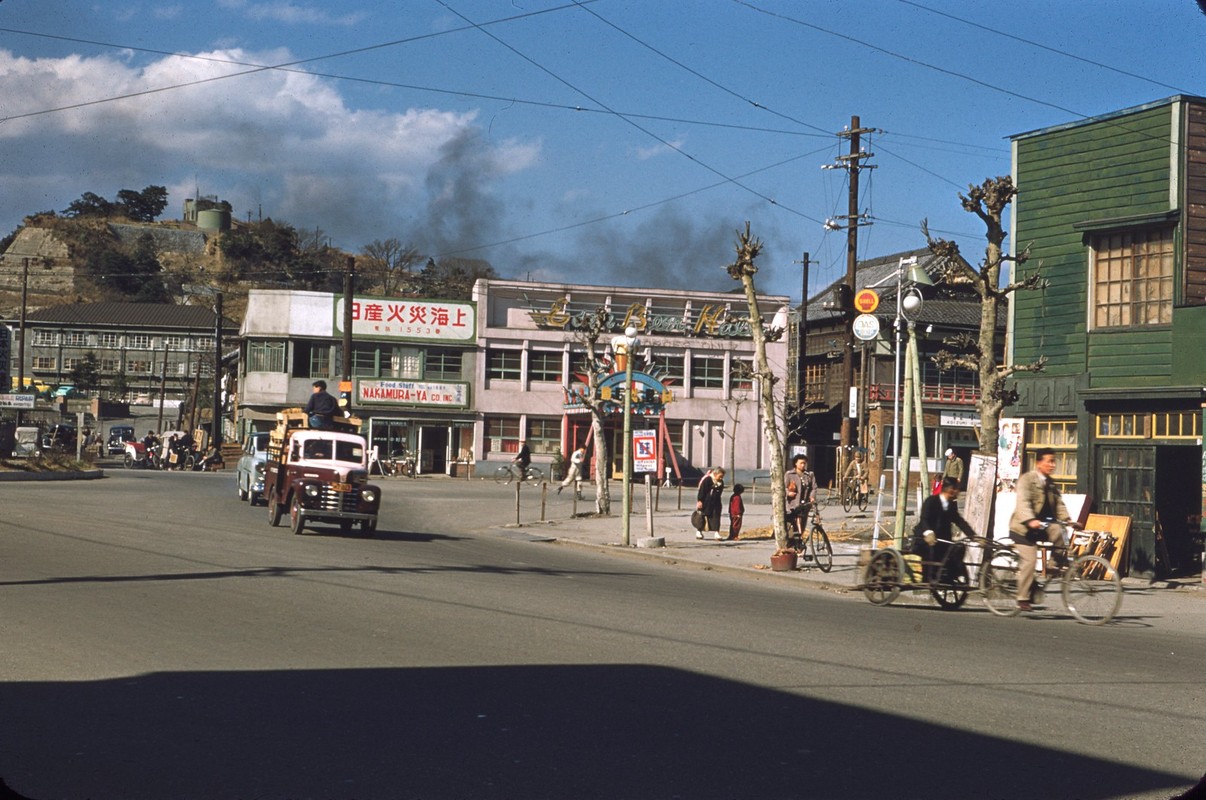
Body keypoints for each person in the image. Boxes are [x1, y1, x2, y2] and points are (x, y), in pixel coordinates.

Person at [1009, 447, 1079, 611]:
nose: (1052, 465)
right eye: (1049, 461)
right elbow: (1023, 503)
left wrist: (1068, 520)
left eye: (1054, 461)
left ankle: (1053, 565)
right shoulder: (1027, 480)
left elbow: (1059, 504)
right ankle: (1022, 598)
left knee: (1059, 532)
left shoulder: (1050, 483)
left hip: (1040, 527)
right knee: (1030, 561)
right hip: (1023, 528)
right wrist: (1030, 519)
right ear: (1039, 463)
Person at [911, 477, 976, 580]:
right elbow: (924, 519)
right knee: (931, 549)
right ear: (951, 490)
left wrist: (973, 536)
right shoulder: (931, 501)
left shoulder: (951, 505)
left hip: (943, 540)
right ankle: (929, 576)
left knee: (959, 548)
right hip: (925, 540)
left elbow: (959, 521)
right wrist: (928, 533)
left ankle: (951, 575)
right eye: (957, 489)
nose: (958, 492)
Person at [784, 454, 818, 539]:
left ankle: (799, 545)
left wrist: (812, 497)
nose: (803, 465)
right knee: (792, 526)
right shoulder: (789, 474)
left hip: (804, 505)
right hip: (792, 504)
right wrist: (788, 493)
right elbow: (782, 488)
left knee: (802, 526)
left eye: (804, 463)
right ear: (795, 463)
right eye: (801, 463)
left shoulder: (809, 475)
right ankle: (792, 545)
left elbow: (814, 488)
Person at [695, 467, 726, 540]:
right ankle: (699, 531)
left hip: (716, 502)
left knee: (716, 517)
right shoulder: (707, 480)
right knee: (703, 517)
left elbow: (720, 492)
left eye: (722, 476)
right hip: (706, 502)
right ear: (715, 474)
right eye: (720, 476)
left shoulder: (721, 482)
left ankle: (716, 533)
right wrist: (700, 500)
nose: (721, 478)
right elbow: (702, 491)